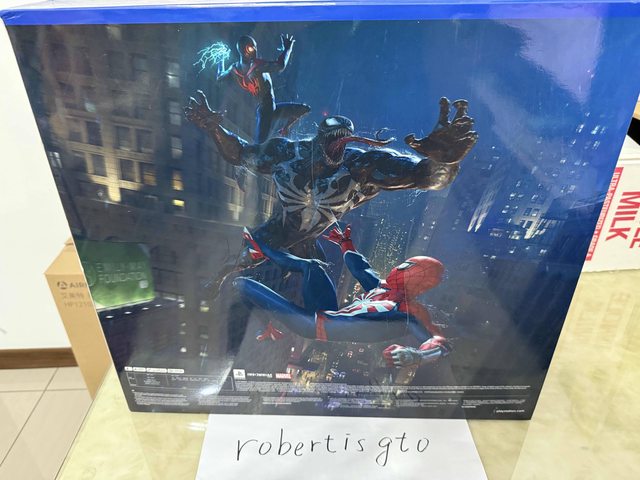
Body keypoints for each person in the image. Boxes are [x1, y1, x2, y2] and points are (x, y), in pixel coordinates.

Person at [233, 225, 451, 368]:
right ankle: (259, 250)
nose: (398, 269)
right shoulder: (382, 289)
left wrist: (417, 356)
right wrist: (345, 243)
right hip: (328, 311)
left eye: (406, 268)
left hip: (313, 326)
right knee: (313, 266)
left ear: (417, 280)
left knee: (241, 283)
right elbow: (361, 269)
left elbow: (438, 341)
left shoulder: (408, 310)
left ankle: (265, 324)